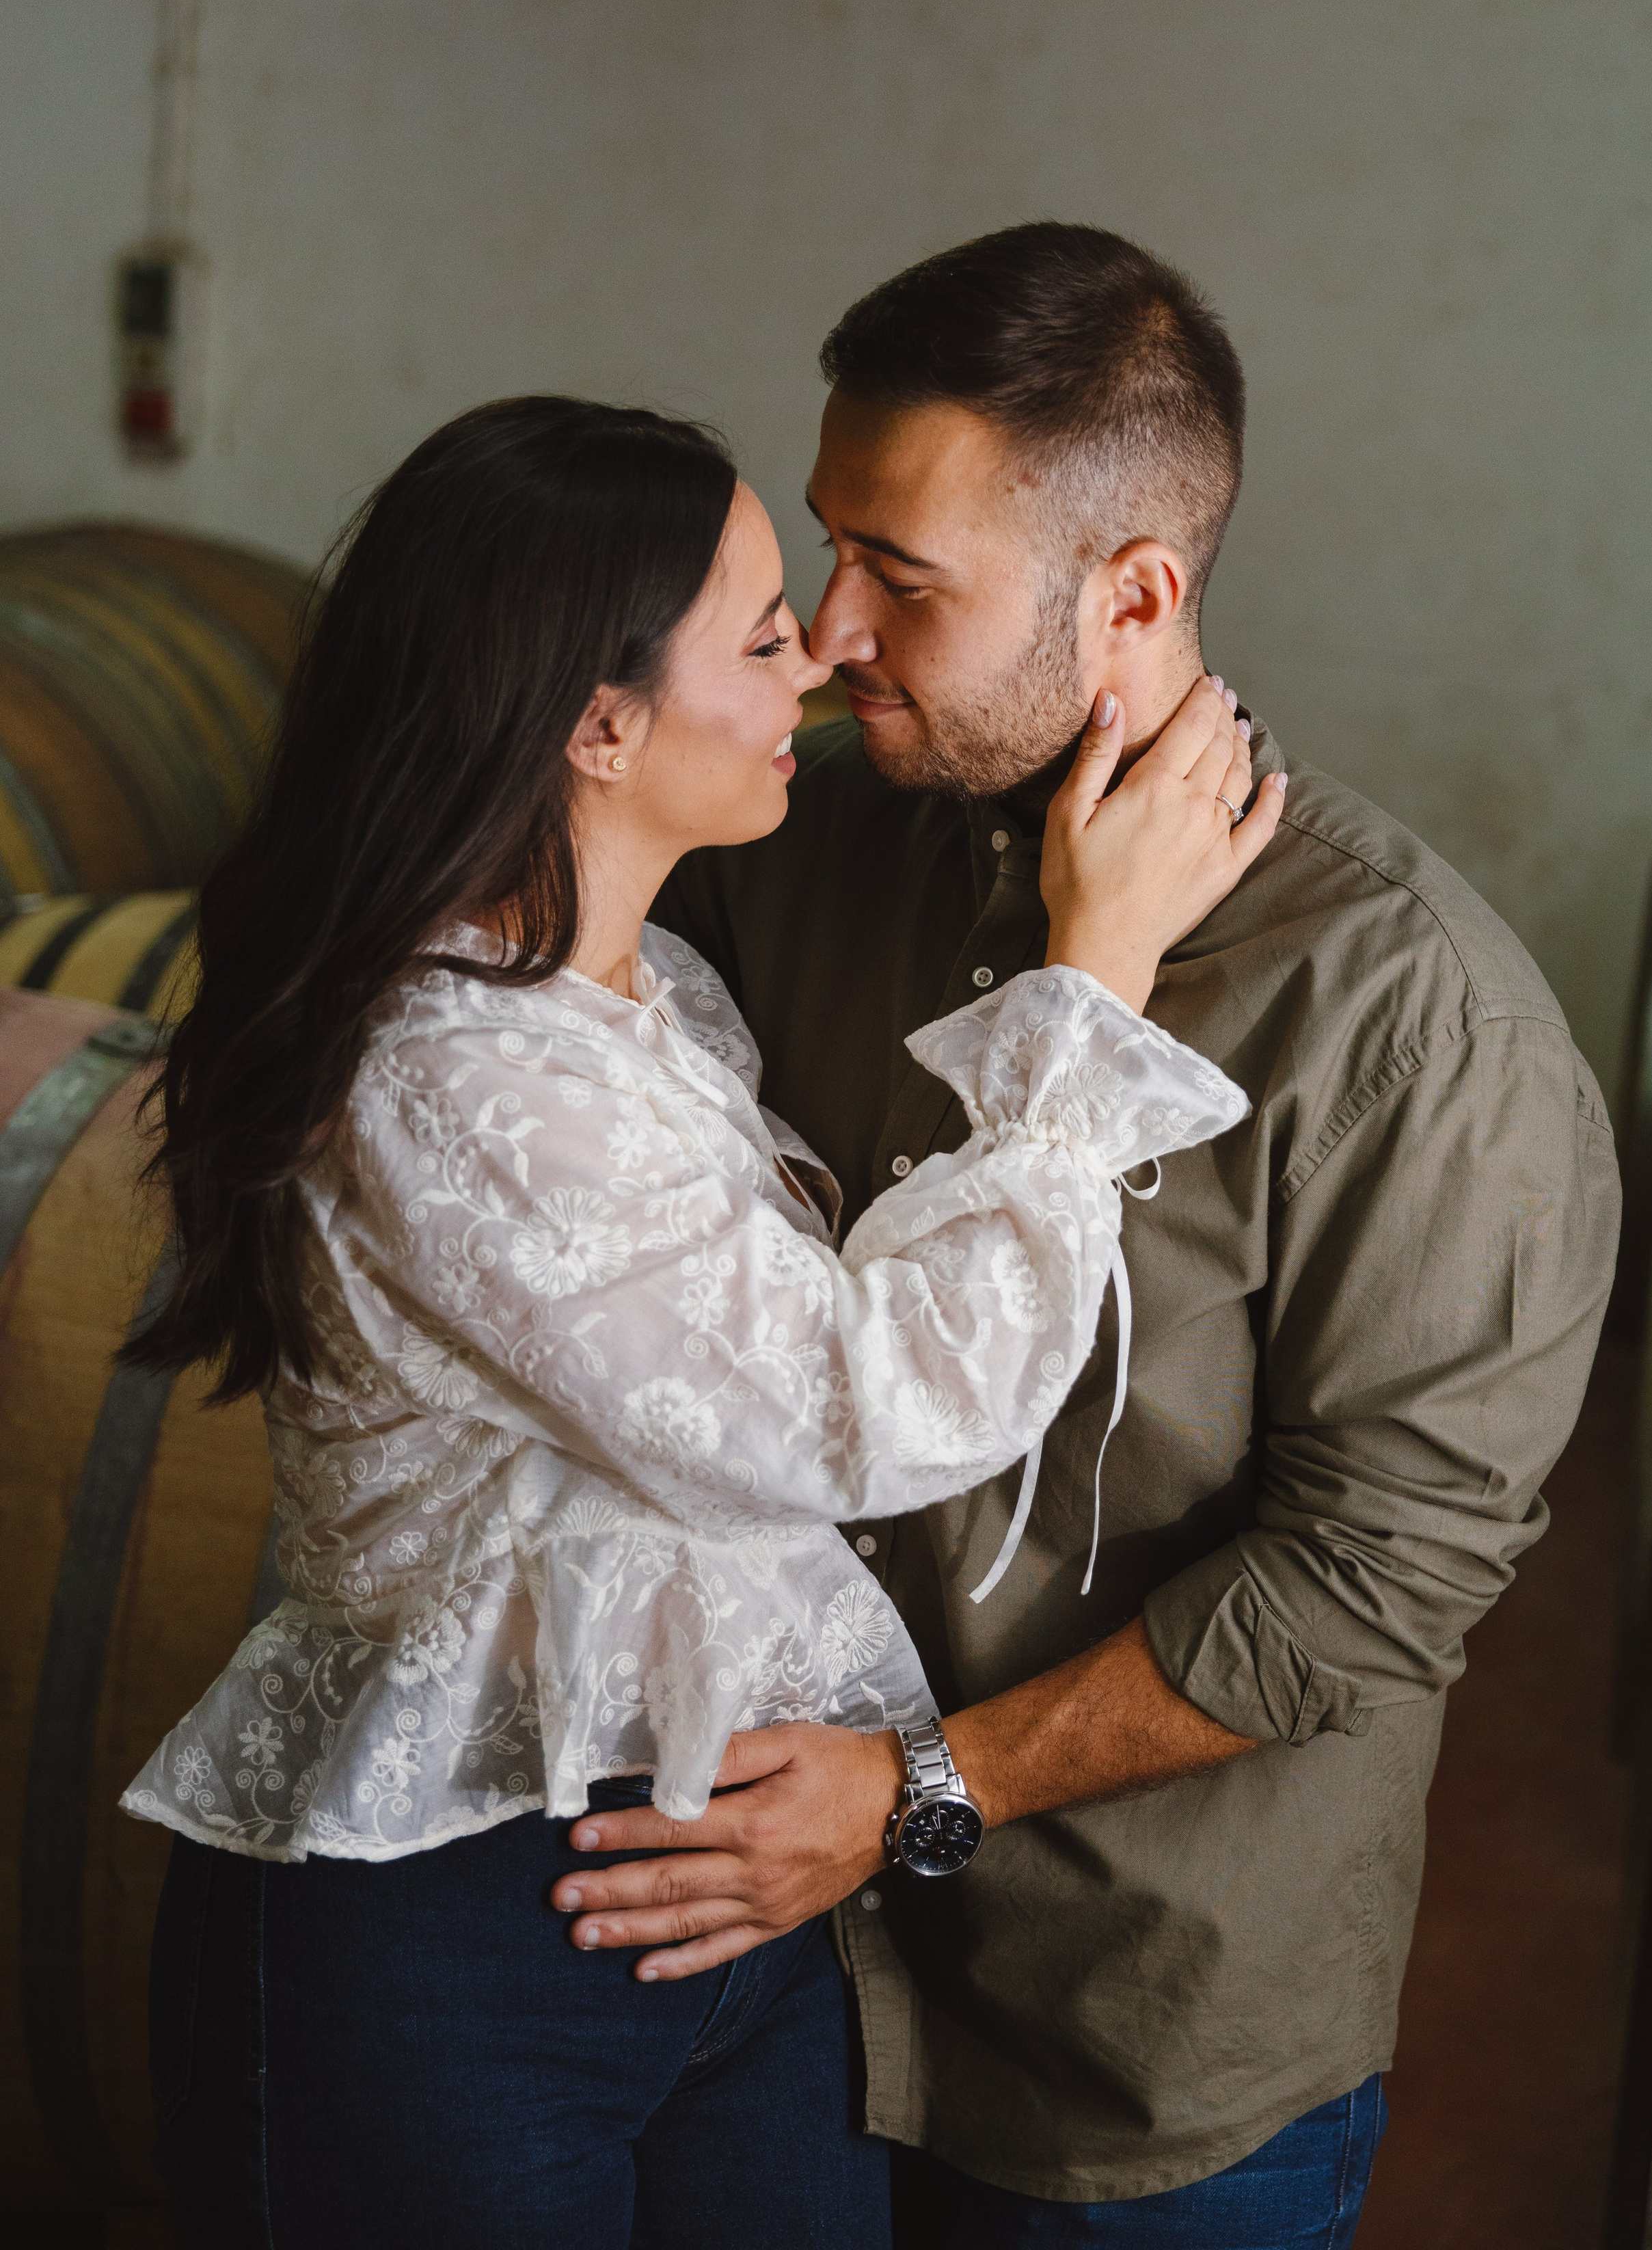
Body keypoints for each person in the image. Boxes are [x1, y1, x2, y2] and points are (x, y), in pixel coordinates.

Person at [122, 392, 1284, 2249]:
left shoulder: (643, 990)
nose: (826, 650)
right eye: (762, 633)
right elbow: (863, 1406)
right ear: (598, 722)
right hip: (470, 1924)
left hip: (745, 1885)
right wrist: (1100, 976)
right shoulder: (452, 1073)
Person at [567, 224, 1624, 2246]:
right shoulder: (798, 854)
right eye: (829, 547)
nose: (831, 633)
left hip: (1136, 2050)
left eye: (906, 578)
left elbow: (1374, 1581)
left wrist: (918, 1790)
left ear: (1134, 594)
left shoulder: (1416, 1024)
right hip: (765, 2006)